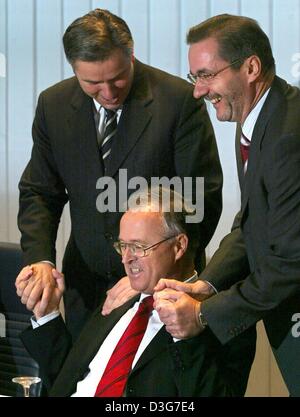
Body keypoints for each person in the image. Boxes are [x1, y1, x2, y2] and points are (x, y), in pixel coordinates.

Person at [16, 8, 222, 341]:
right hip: (87, 287)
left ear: (131, 54)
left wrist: (147, 276)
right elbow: (40, 192)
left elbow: (200, 198)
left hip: (163, 288)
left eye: (117, 78)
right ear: (74, 69)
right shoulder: (53, 105)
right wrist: (40, 258)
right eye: (93, 84)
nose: (109, 93)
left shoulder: (178, 101)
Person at [150, 14, 300, 397]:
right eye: (193, 78)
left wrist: (203, 315)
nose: (199, 91)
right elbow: (252, 222)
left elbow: (289, 262)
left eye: (207, 75)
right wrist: (205, 284)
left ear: (250, 67)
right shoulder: (258, 117)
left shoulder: (289, 137)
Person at [17, 188, 255, 397]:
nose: (126, 259)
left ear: (179, 246)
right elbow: (69, 380)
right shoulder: (119, 298)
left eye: (139, 247)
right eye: (123, 246)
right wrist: (47, 314)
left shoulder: (219, 317)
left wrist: (185, 338)